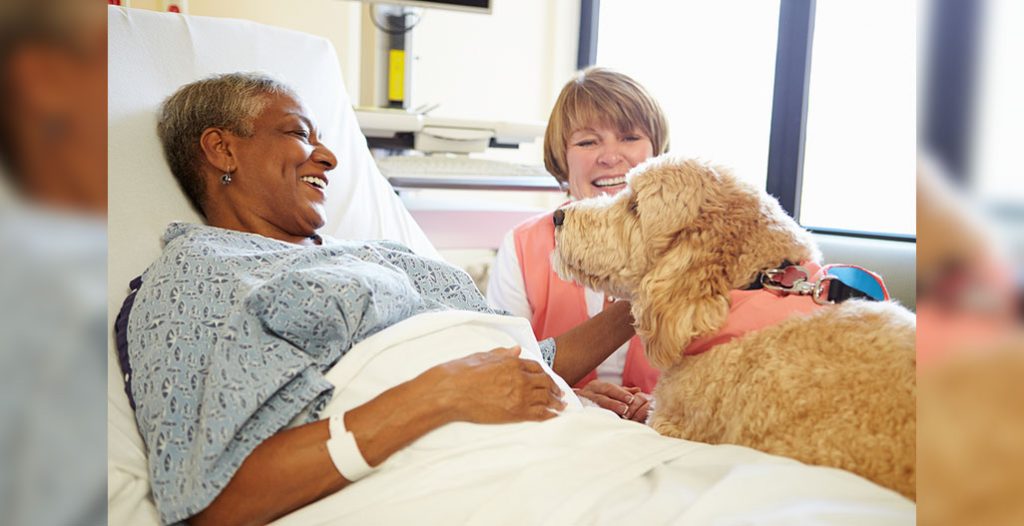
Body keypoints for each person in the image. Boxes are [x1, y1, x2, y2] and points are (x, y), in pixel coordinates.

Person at [126, 72, 644, 526]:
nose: (327, 157)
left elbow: (531, 360)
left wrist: (658, 290)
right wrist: (441, 393)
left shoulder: (383, 253)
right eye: (297, 134)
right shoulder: (201, 271)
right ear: (222, 149)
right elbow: (212, 503)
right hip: (469, 476)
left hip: (573, 447)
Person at [487, 67, 670, 422]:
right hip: (563, 429)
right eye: (588, 142)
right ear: (562, 156)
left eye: (630, 137)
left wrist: (663, 405)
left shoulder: (689, 243)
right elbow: (505, 369)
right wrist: (578, 399)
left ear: (656, 149)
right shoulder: (523, 247)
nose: (610, 156)